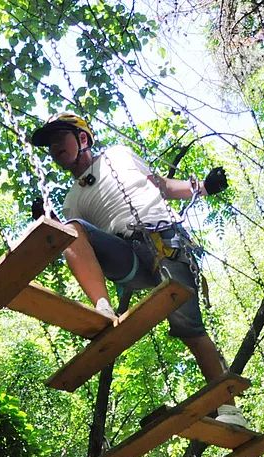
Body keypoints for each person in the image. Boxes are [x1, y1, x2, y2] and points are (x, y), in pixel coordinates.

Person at [30, 112, 247, 427]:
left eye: (59, 138)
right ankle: (102, 308)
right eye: (49, 144)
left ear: (83, 139)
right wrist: (49, 224)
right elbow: (77, 248)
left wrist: (202, 187)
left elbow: (162, 186)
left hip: (163, 239)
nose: (54, 148)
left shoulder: (118, 155)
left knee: (189, 329)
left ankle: (229, 410)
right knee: (72, 228)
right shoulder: (71, 201)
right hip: (127, 256)